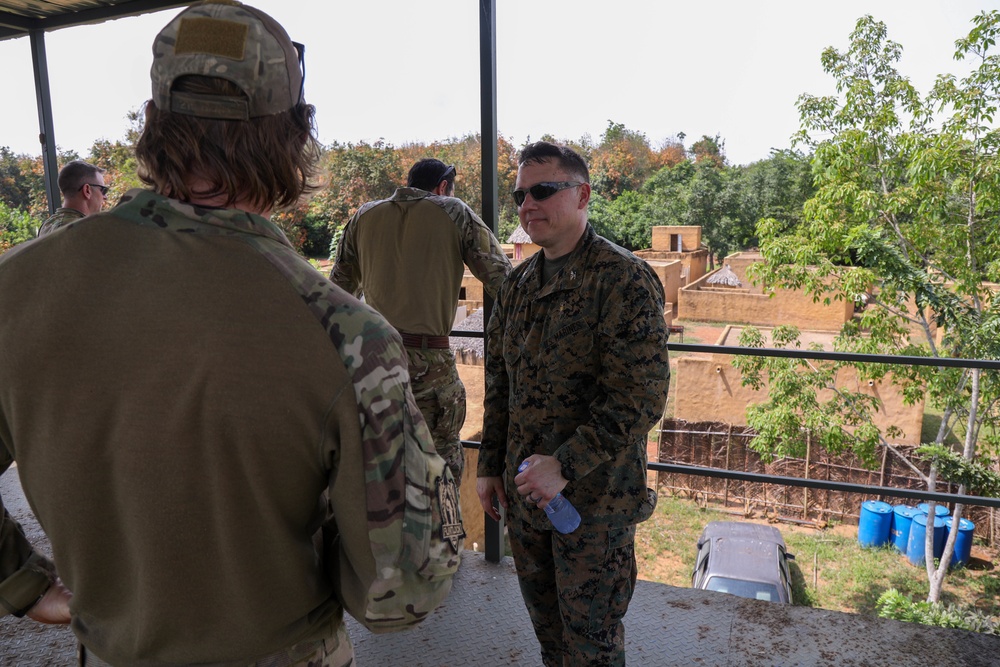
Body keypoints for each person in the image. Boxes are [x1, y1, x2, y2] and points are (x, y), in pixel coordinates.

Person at [0, 2, 462, 665]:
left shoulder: (18, 287)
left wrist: (23, 583)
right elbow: (403, 591)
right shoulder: (345, 335)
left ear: (154, 123)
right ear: (292, 135)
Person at [476, 141, 670, 666]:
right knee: (549, 637)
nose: (526, 205)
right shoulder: (517, 286)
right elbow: (500, 384)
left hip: (594, 504)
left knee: (592, 643)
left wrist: (564, 464)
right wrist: (489, 465)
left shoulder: (623, 280)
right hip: (525, 498)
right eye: (520, 195)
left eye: (542, 190)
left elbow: (640, 396)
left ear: (582, 194)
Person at [330, 158, 511, 480]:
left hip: (373, 364)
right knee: (438, 471)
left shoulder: (364, 215)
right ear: (442, 187)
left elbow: (336, 292)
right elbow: (505, 282)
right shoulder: (453, 212)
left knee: (380, 469)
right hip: (431, 369)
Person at [37, 160, 108, 236]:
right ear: (87, 190)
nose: (105, 197)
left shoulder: (47, 225)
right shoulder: (79, 230)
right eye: (103, 190)